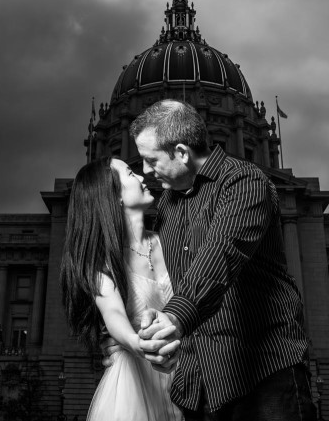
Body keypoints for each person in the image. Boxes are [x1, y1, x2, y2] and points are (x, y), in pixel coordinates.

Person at [131, 99, 317, 421]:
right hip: (196, 383)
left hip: (262, 373)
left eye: (150, 159)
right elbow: (169, 284)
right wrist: (154, 340)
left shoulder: (245, 181)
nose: (145, 170)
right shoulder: (166, 207)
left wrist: (174, 318)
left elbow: (222, 253)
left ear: (181, 152)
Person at [60, 156, 182, 421]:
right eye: (130, 173)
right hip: (134, 384)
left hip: (184, 380)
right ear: (115, 196)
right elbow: (113, 314)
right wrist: (138, 344)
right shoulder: (102, 262)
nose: (141, 177)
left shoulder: (171, 242)